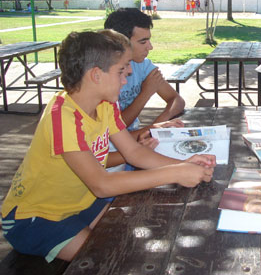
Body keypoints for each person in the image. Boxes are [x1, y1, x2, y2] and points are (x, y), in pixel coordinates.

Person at [0, 30, 215, 263]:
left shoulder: (105, 104)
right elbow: (102, 185)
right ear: (96, 75)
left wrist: (183, 163)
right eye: (122, 70)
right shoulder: (62, 116)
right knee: (106, 258)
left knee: (127, 238)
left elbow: (132, 152)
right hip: (35, 218)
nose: (128, 75)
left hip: (79, 203)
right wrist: (174, 173)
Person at [104, 8, 185, 160]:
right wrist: (146, 93)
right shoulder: (106, 77)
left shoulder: (141, 64)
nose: (150, 47)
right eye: (143, 41)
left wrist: (157, 126)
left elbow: (176, 100)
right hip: (113, 148)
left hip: (133, 140)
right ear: (121, 43)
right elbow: (116, 127)